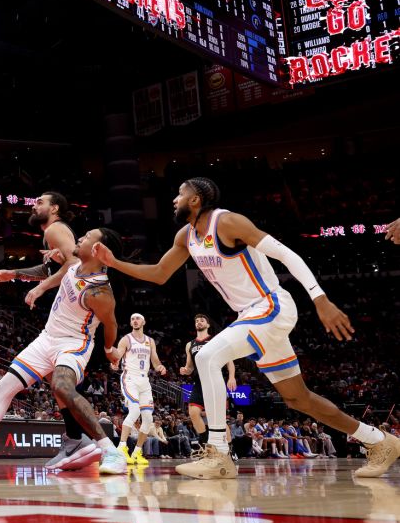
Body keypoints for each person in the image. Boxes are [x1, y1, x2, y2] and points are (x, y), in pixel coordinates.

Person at [94, 176, 400, 478]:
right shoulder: (185, 236)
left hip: (271, 305)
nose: (174, 199)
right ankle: (380, 441)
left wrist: (320, 298)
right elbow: (159, 273)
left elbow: (285, 253)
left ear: (196, 200)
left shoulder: (227, 223)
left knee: (206, 356)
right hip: (251, 317)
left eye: (180, 193)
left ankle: (217, 453)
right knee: (298, 398)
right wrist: (114, 262)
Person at [0, 228, 128, 474]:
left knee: (62, 386)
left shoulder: (100, 292)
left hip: (74, 344)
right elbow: (44, 272)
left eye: (87, 237)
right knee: (4, 387)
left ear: (99, 250)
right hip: (47, 338)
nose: (80, 238)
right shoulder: (74, 263)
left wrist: (109, 348)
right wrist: (15, 274)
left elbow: (111, 325)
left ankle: (111, 451)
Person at [0, 192, 99, 469]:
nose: (34, 205)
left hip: (80, 312)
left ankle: (94, 443)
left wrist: (40, 287)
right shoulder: (51, 233)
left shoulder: (55, 228)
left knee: (63, 382)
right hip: (71, 312)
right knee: (57, 382)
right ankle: (76, 440)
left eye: (40, 201)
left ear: (55, 208)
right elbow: (52, 267)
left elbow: (74, 266)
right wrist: (14, 273)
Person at [110, 313, 166, 466]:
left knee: (148, 419)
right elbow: (118, 355)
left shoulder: (150, 341)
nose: (135, 320)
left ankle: (137, 452)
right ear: (131, 323)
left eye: (137, 318)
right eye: (132, 319)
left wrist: (159, 366)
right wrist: (114, 362)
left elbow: (154, 359)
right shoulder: (126, 339)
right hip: (130, 378)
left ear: (144, 321)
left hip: (144, 381)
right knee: (134, 411)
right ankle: (122, 448)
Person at [180, 314, 236, 454]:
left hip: (215, 379)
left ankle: (230, 450)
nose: (199, 322)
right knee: (193, 413)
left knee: (219, 419)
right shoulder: (190, 345)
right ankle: (205, 443)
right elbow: (190, 367)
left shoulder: (215, 340)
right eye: (197, 321)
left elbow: (229, 361)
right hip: (199, 381)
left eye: (202, 320)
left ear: (208, 325)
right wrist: (186, 370)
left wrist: (231, 377)